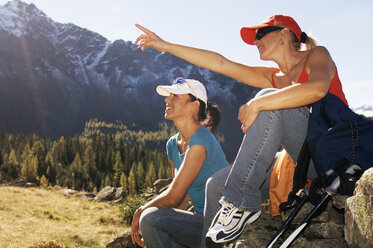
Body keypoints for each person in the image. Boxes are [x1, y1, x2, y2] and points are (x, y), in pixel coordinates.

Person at [135, 14, 348, 244]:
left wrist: (258, 103)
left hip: (334, 157)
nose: (256, 41)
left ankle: (240, 203)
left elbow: (317, 89)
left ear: (284, 33)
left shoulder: (317, 55)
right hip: (302, 162)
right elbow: (221, 63)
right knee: (215, 185)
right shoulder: (276, 78)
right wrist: (165, 46)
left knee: (268, 98)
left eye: (260, 35)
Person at [130, 77, 229, 247]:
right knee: (156, 229)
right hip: (201, 223)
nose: (167, 99)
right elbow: (182, 196)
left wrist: (140, 212)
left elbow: (172, 198)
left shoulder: (202, 139)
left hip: (222, 224)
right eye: (168, 95)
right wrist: (160, 229)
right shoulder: (172, 145)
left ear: (194, 105)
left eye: (175, 96)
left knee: (149, 217)